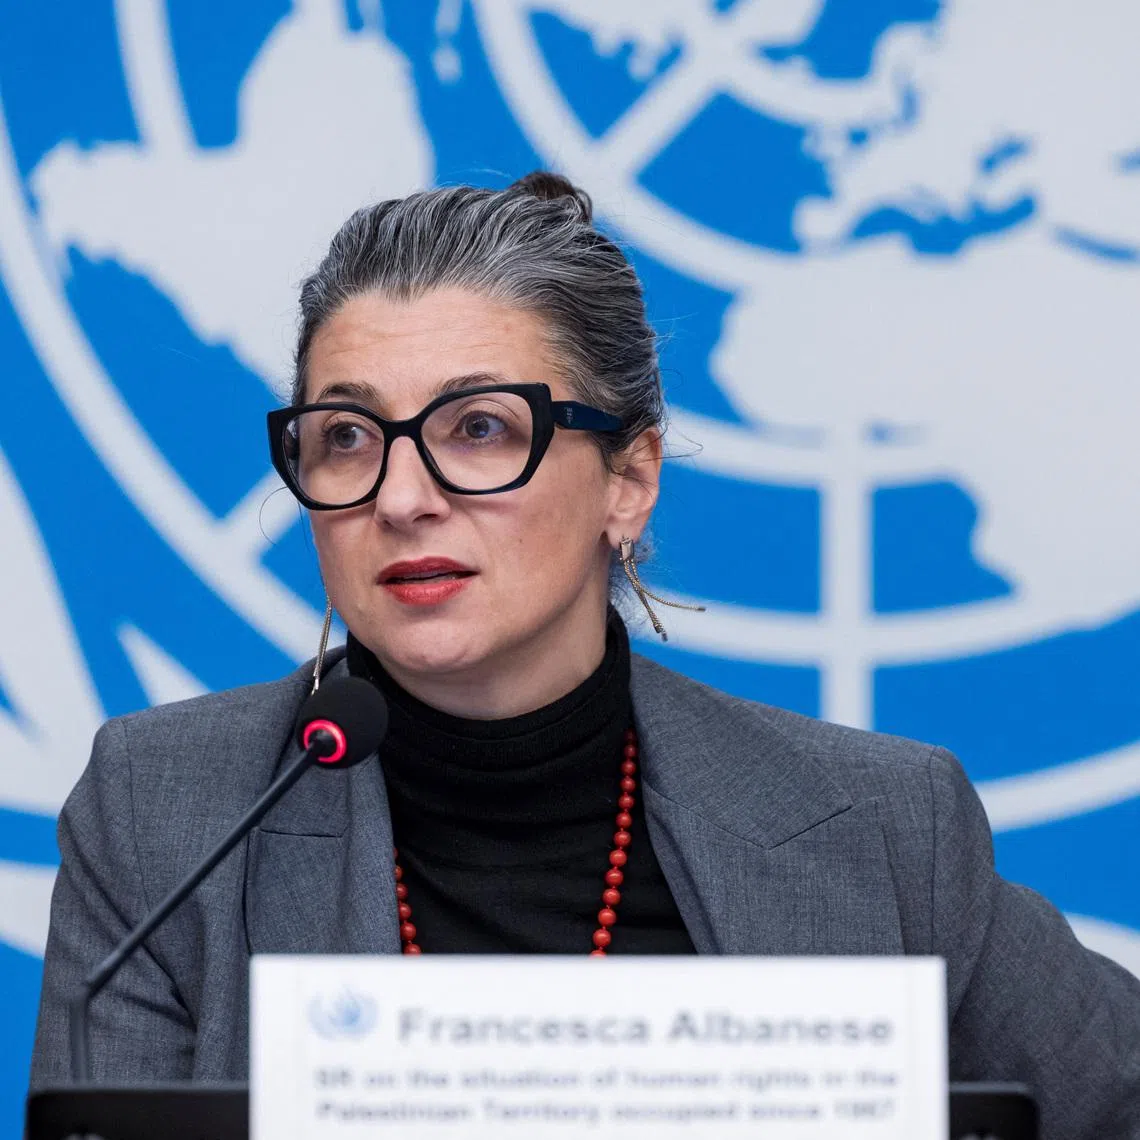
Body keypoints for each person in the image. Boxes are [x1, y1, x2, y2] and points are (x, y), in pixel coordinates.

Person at [30, 173, 1140, 1137]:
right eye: (348, 439)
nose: (403, 498)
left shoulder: (885, 825)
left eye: (478, 429)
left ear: (628, 479)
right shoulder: (166, 814)